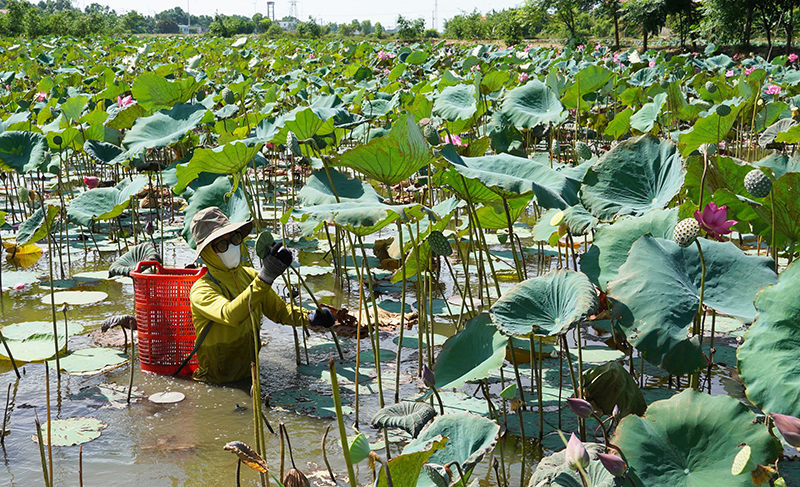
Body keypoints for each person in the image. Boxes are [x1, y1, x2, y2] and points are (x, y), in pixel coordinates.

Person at [188, 206, 335, 384]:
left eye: (234, 239)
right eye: (221, 244)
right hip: (215, 383)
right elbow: (231, 315)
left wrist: (310, 317)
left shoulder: (249, 276)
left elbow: (279, 311)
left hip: (249, 374)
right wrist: (265, 276)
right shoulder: (202, 289)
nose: (232, 247)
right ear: (207, 253)